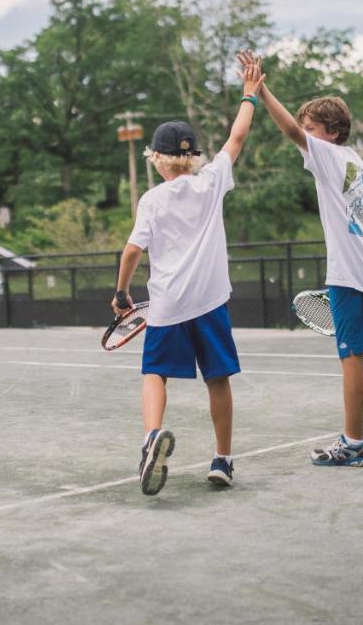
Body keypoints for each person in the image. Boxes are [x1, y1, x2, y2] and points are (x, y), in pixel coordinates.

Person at [244, 50, 363, 466]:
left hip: (349, 273)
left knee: (351, 354)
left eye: (313, 128)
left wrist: (259, 89)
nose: (305, 134)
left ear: (331, 132)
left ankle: (354, 445)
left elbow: (289, 129)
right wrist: (361, 240)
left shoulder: (326, 155)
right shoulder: (357, 162)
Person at [113, 56, 263, 496]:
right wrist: (249, 93)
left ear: (157, 160)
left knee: (154, 373)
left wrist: (122, 292)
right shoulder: (213, 179)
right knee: (217, 379)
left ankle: (151, 439)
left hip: (168, 304)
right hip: (210, 301)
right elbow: (237, 136)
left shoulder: (152, 200)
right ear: (192, 157)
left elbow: (132, 251)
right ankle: (222, 460)